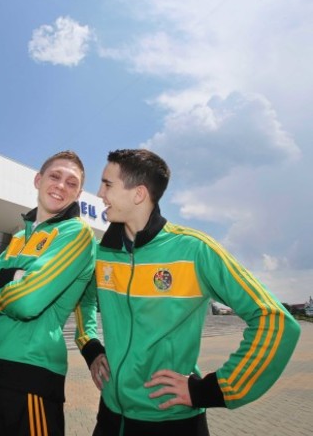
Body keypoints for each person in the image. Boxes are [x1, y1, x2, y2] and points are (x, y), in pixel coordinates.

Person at [82, 149, 301, 436]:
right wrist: (91, 347)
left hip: (172, 421)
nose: (99, 193)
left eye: (108, 184)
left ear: (138, 194)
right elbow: (84, 300)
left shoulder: (195, 249)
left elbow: (276, 321)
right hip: (109, 418)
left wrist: (211, 390)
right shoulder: (102, 254)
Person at [0, 150, 98, 436]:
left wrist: (6, 281)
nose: (61, 186)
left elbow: (27, 302)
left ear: (78, 193)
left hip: (32, 374)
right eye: (55, 176)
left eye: (72, 183)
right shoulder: (19, 236)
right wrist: (15, 278)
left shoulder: (75, 233)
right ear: (38, 180)